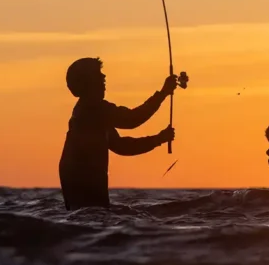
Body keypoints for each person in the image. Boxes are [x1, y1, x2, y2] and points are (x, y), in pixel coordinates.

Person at [59, 57, 188, 210]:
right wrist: (163, 93)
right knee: (91, 215)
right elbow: (132, 120)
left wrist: (158, 138)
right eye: (98, 74)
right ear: (87, 83)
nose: (103, 77)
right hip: (81, 180)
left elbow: (123, 146)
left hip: (78, 179)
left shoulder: (90, 113)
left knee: (90, 217)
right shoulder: (93, 110)